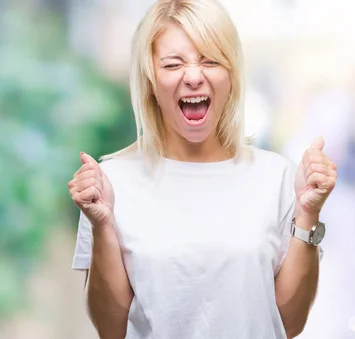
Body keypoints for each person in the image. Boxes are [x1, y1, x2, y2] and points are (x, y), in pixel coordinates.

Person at [67, 1, 337, 338]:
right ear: (150, 78)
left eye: (210, 60)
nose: (193, 76)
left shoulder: (277, 177)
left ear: (232, 75)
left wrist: (308, 212)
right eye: (172, 64)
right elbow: (110, 328)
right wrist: (102, 224)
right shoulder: (111, 184)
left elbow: (289, 323)